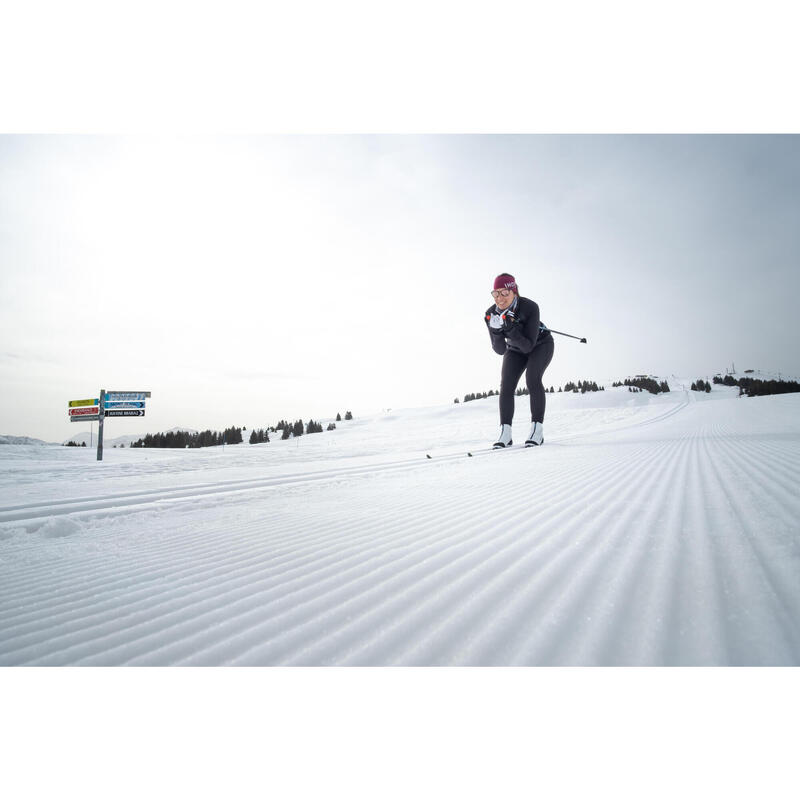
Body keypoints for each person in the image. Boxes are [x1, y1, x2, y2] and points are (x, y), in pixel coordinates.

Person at [484, 273, 554, 448]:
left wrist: (512, 330)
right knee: (506, 385)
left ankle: (537, 430)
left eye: (504, 293)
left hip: (540, 345)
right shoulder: (491, 313)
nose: (500, 298)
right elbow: (500, 350)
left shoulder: (530, 307)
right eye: (496, 293)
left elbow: (528, 346)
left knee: (532, 379)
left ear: (514, 291)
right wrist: (496, 331)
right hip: (514, 349)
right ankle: (505, 434)